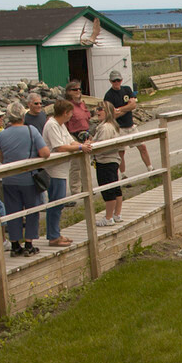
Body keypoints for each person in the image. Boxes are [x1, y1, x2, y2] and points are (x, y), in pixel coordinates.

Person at [0, 101, 50, 256]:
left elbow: (1, 157)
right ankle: (29, 243)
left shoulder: (2, 134)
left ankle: (14, 244)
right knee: (32, 210)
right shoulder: (31, 131)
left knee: (13, 211)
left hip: (9, 179)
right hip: (28, 178)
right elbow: (45, 152)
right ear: (22, 115)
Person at [42, 99, 92, 247]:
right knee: (56, 203)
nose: (71, 116)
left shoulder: (61, 125)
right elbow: (59, 147)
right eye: (70, 113)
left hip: (62, 170)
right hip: (54, 171)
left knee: (59, 203)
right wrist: (80, 148)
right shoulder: (51, 125)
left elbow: (70, 142)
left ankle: (56, 233)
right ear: (65, 113)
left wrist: (83, 145)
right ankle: (53, 236)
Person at [103, 70, 151, 174]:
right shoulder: (108, 96)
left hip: (131, 125)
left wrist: (120, 109)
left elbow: (133, 105)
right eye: (114, 80)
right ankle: (123, 175)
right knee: (121, 152)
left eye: (118, 80)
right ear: (110, 81)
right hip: (119, 128)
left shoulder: (127, 89)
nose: (117, 82)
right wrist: (127, 108)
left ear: (121, 80)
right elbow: (112, 115)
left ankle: (150, 169)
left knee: (142, 147)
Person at [92, 101, 124, 227]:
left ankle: (109, 217)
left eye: (100, 109)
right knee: (116, 187)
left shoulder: (105, 127)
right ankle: (117, 214)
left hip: (105, 161)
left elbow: (102, 145)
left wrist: (91, 145)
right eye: (97, 109)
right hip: (113, 160)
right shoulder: (113, 125)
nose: (97, 111)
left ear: (108, 112)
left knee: (108, 189)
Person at [64, 81, 91, 196]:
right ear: (69, 92)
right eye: (75, 90)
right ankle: (75, 190)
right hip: (74, 135)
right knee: (76, 165)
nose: (78, 91)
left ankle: (86, 187)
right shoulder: (68, 106)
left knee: (86, 163)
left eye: (79, 89)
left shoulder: (82, 104)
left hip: (85, 135)